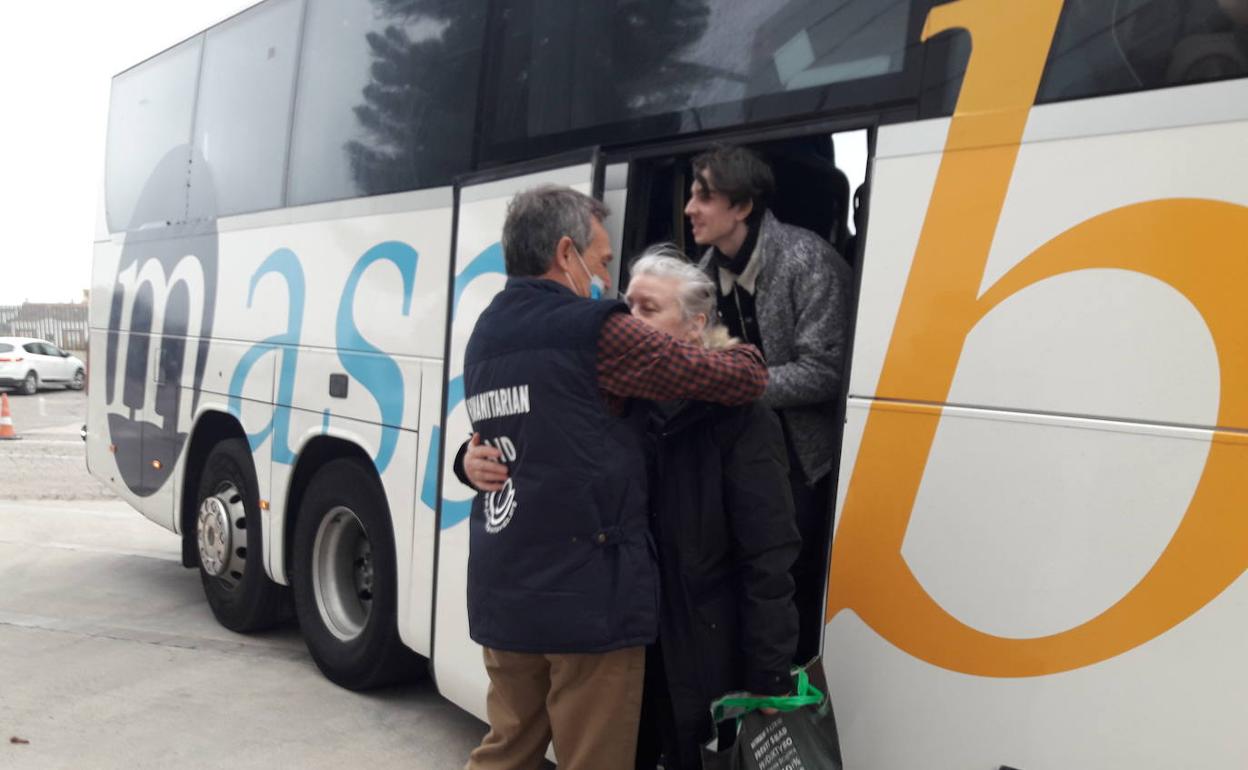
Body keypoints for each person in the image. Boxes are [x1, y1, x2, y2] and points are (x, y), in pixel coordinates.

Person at [459, 185, 769, 770]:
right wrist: (743, 352)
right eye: (602, 262)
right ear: (565, 252)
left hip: (506, 590)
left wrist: (462, 461)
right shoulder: (594, 330)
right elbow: (733, 381)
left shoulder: (486, 331)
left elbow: (524, 432)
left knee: (506, 752)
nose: (606, 283)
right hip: (586, 603)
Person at [625, 247, 800, 770]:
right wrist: (468, 460)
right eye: (626, 306)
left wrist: (768, 672)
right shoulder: (618, 403)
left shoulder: (741, 417)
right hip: (626, 648)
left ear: (696, 324)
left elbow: (768, 553)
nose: (630, 322)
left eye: (648, 309)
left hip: (703, 655)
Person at [685, 144, 852, 663]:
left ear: (742, 207)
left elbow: (826, 372)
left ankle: (783, 698)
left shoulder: (810, 261)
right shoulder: (699, 275)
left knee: (785, 585)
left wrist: (733, 382)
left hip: (801, 465)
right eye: (692, 194)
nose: (690, 208)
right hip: (733, 457)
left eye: (704, 196)